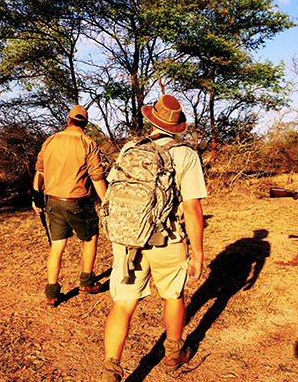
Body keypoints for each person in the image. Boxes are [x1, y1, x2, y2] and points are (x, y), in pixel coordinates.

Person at [100, 95, 207, 382]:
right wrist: (197, 252)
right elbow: (192, 209)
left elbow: (113, 191)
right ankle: (173, 353)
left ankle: (111, 370)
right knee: (173, 294)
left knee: (123, 303)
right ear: (177, 126)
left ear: (152, 120)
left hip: (127, 239)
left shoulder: (130, 148)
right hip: (167, 239)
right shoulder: (186, 155)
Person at [33, 105, 107, 307]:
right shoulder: (87, 142)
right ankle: (87, 281)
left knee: (57, 245)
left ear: (68, 120)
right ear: (85, 123)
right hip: (76, 202)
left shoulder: (51, 140)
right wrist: (108, 202)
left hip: (52, 201)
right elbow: (97, 177)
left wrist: (35, 197)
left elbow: (40, 172)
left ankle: (51, 292)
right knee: (90, 237)